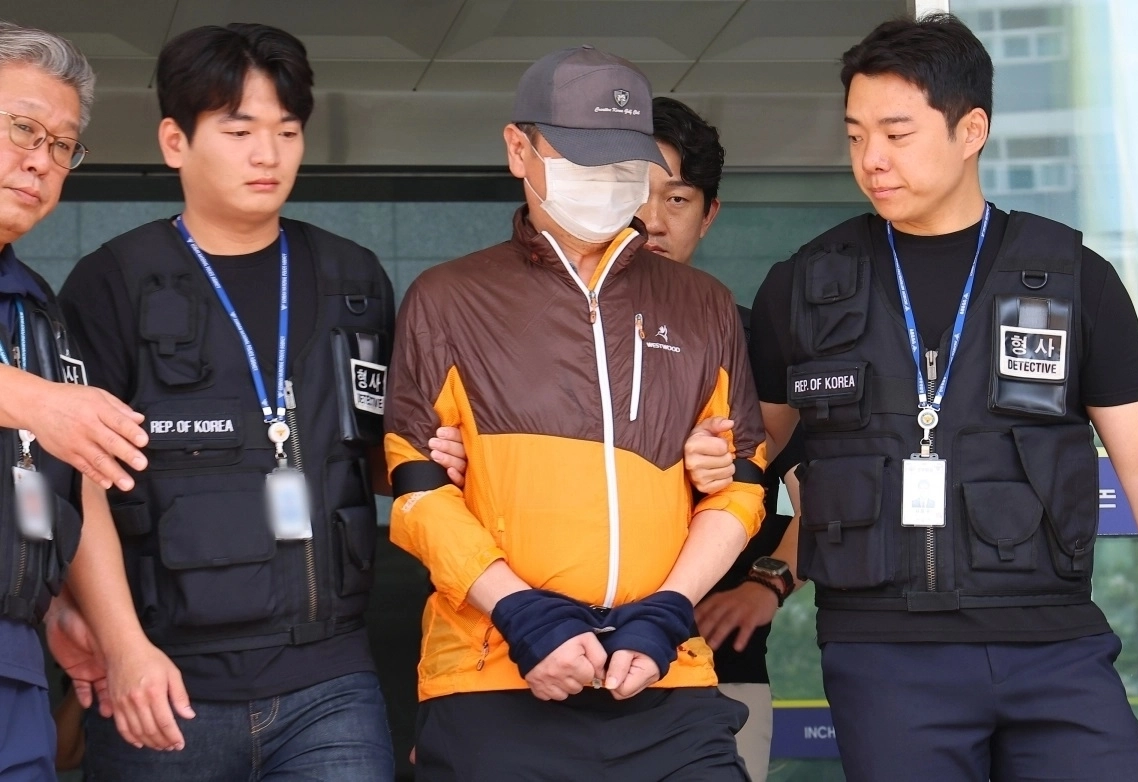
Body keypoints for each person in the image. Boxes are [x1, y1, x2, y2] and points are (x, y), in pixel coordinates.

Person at [686, 13, 1138, 781]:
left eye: (897, 134)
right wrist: (720, 467)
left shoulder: (1071, 278)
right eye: (856, 136)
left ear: (971, 131)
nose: (872, 159)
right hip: (883, 651)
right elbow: (755, 447)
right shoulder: (807, 286)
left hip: (1054, 643)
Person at [384, 45, 767, 780]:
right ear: (518, 150)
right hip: (494, 673)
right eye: (582, 158)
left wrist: (670, 610)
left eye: (623, 163)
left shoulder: (703, 305)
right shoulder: (448, 298)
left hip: (666, 675)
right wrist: (520, 613)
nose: (607, 180)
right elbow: (416, 486)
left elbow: (744, 481)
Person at [58, 23, 403, 780]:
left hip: (330, 680)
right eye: (239, 130)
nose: (267, 154)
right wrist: (124, 648)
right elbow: (79, 480)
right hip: (165, 681)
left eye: (288, 131)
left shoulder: (353, 278)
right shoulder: (114, 281)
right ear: (175, 141)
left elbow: (380, 458)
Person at [0, 19, 154, 780]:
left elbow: (65, 478)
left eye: (63, 145)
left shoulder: (36, 306)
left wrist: (49, 594)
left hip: (17, 655)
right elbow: (41, 414)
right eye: (22, 129)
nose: (41, 159)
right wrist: (32, 399)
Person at [638, 95, 802, 782]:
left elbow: (826, 493)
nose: (652, 219)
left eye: (676, 199)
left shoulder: (749, 339)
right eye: (635, 192)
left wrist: (770, 581)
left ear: (708, 215)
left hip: (716, 670)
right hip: (554, 666)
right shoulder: (543, 331)